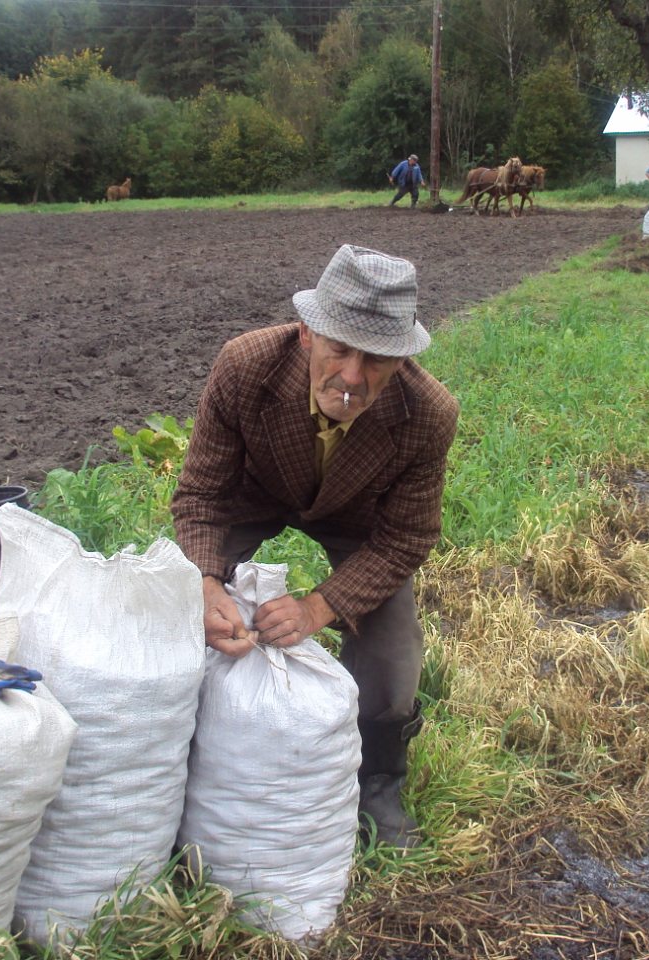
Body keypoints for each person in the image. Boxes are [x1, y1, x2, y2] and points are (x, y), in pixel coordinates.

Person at [171, 244, 459, 849]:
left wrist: (317, 608)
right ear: (307, 334)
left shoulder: (428, 413)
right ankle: (182, 742)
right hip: (255, 493)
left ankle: (379, 775)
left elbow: (406, 537)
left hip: (358, 516)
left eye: (377, 359)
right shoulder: (246, 365)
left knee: (391, 638)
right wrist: (203, 582)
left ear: (402, 359)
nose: (353, 377)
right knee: (176, 600)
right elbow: (201, 494)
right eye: (340, 349)